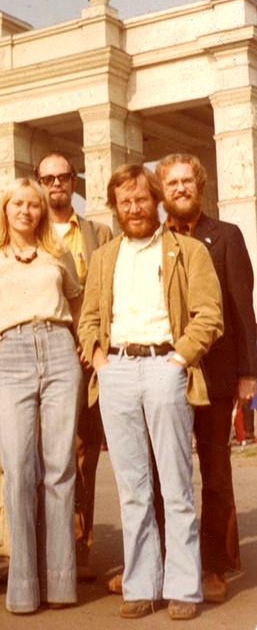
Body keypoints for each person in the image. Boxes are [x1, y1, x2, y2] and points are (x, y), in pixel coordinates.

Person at [78, 164, 223, 621]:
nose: (134, 208)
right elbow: (88, 321)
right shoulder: (104, 257)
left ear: (156, 200)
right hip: (117, 368)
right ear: (115, 207)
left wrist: (177, 360)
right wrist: (101, 361)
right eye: (125, 201)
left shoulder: (188, 250)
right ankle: (141, 583)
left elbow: (209, 315)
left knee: (177, 483)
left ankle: (183, 586)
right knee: (132, 487)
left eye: (141, 199)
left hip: (166, 367)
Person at [0, 177, 83, 614]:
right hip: (14, 354)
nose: (26, 211)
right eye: (18, 204)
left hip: (58, 349)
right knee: (19, 470)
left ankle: (61, 583)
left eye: (34, 205)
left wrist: (78, 345)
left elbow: (76, 306)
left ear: (42, 212)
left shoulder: (57, 255)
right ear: (5, 210)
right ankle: (22, 585)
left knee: (59, 469)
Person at [156, 153, 257, 602]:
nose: (180, 189)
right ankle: (163, 563)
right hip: (164, 375)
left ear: (200, 186)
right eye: (171, 183)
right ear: (163, 191)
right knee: (163, 473)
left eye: (187, 182)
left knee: (214, 472)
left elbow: (241, 306)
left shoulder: (226, 236)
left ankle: (214, 565)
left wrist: (248, 373)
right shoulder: (150, 240)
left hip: (214, 373)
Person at [35, 152, 112, 582]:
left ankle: (78, 549)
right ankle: (40, 545)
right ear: (38, 182)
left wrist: (95, 342)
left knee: (83, 453)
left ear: (74, 180)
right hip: (40, 352)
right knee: (39, 452)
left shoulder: (97, 232)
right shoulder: (28, 229)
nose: (55, 184)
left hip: (86, 356)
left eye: (63, 177)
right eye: (47, 178)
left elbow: (106, 293)